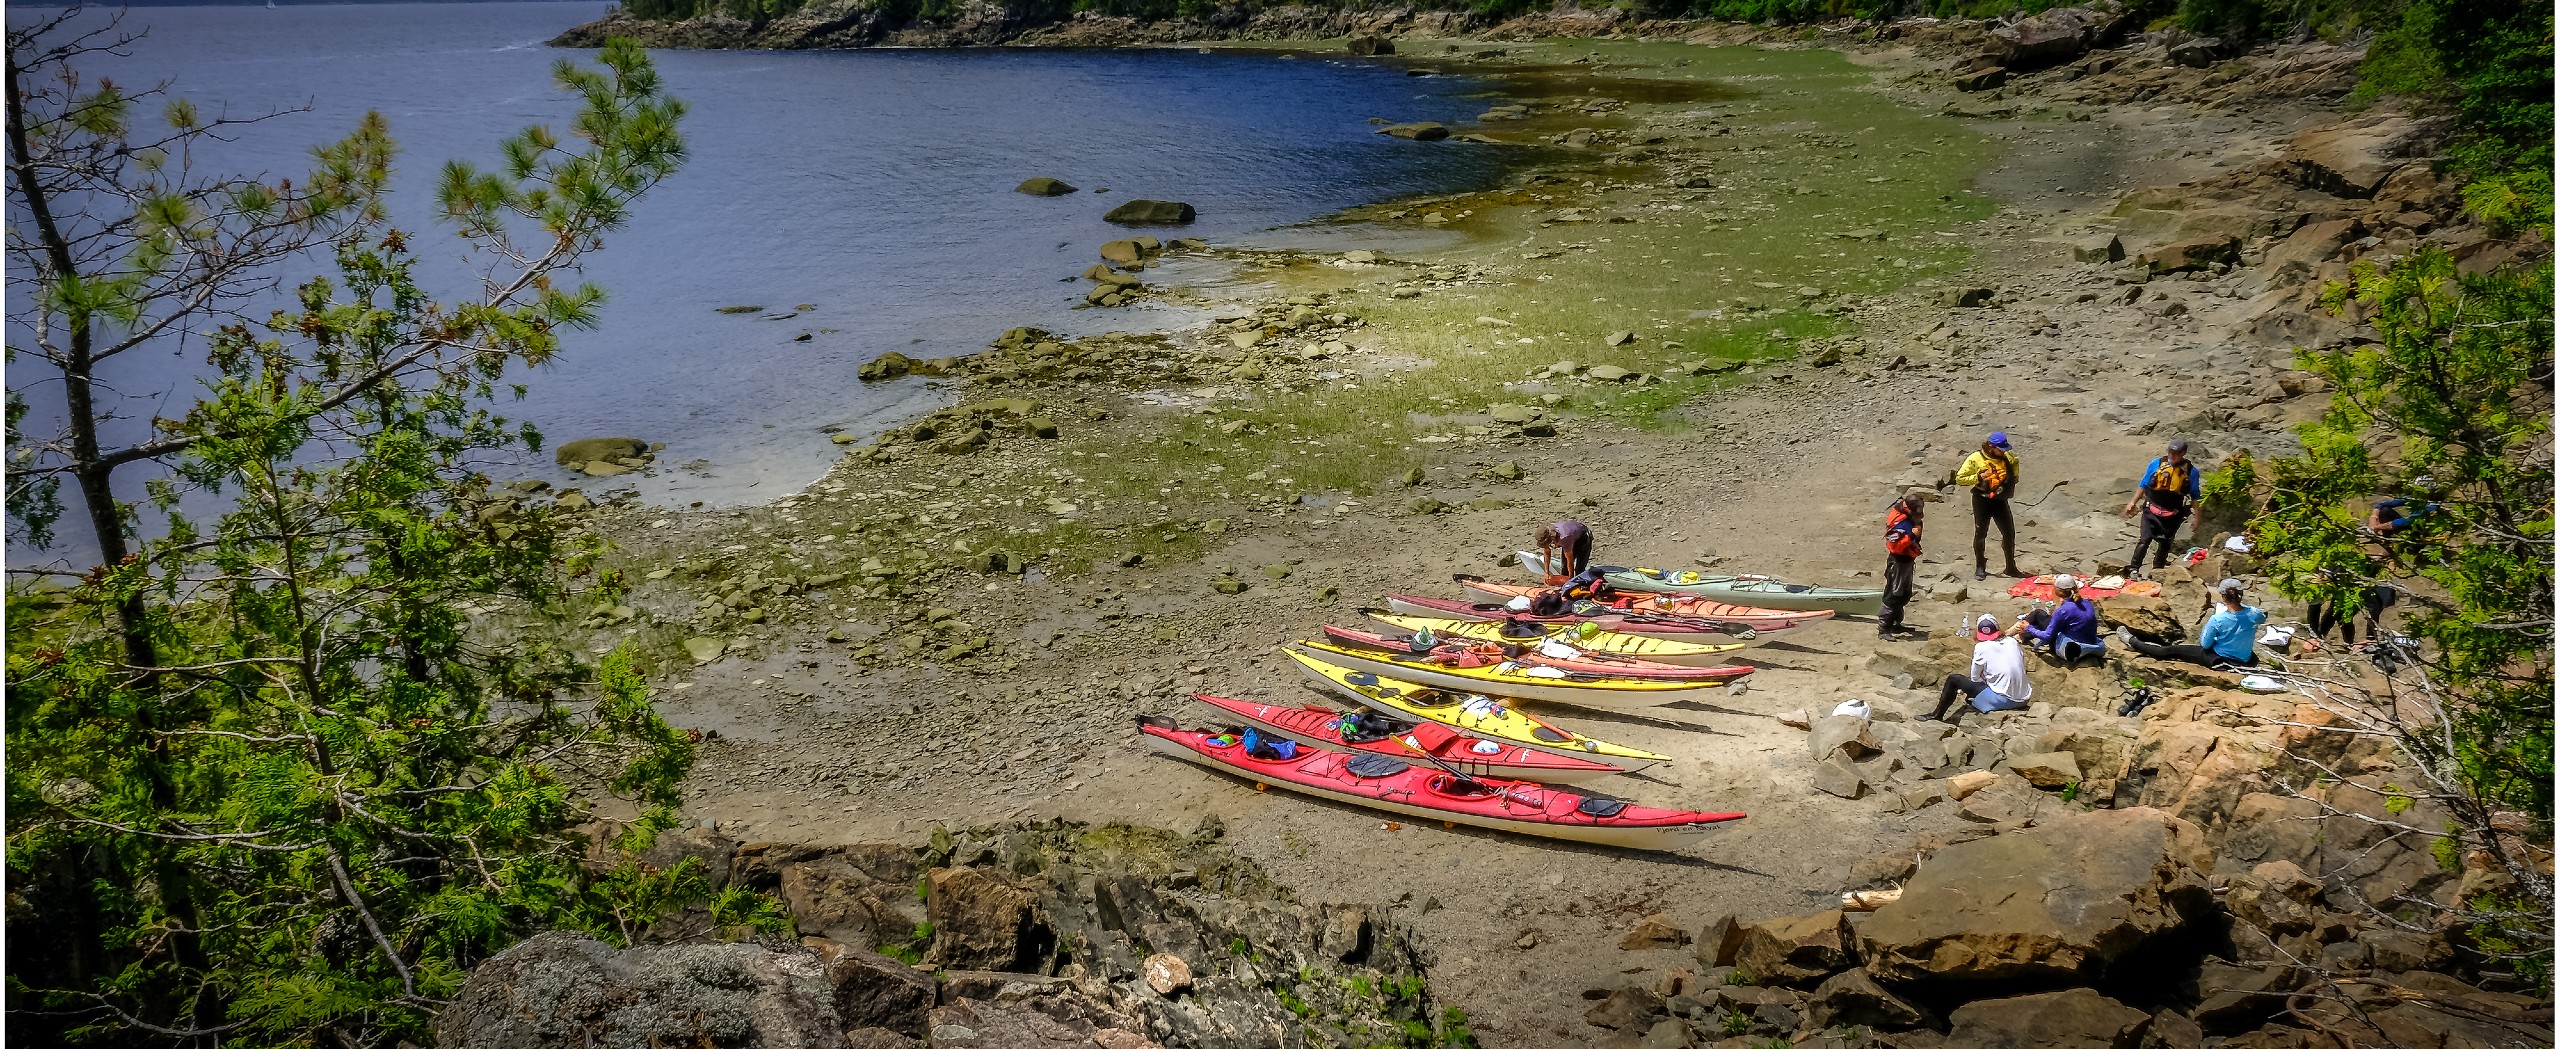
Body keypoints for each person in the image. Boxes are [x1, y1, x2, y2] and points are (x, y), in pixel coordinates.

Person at [2118, 577, 2265, 668]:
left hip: (2222, 658)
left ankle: (2133, 642)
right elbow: (2260, 618)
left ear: (2223, 596)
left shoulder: (2218, 619)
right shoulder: (2254, 613)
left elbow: (2205, 644)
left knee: (2170, 651)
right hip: (2245, 658)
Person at [1923, 613, 2032, 724]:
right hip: (2023, 698)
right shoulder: (2012, 642)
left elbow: (1975, 678)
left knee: (1954, 679)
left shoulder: (1981, 647)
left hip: (2005, 700)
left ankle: (1937, 715)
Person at [2123, 438, 2202, 576]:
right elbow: (2144, 484)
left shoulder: (2191, 472)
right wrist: (2132, 502)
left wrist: (2197, 517)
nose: (2172, 454)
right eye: (2170, 451)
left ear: (2183, 453)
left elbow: (2194, 495)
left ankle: (2157, 572)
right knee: (2144, 539)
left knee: (2165, 543)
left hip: (2172, 514)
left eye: (2176, 452)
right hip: (2151, 508)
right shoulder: (2156, 464)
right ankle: (2134, 568)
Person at [1955, 431, 2022, 581]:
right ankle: (1980, 566)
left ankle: (2010, 566)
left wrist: (2016, 475)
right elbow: (1960, 478)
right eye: (2000, 449)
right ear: (1991, 447)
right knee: (1981, 533)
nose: (2003, 452)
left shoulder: (2007, 456)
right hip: (1982, 501)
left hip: (2000, 501)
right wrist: (1977, 477)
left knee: (2009, 533)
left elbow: (2015, 461)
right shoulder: (1975, 458)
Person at [2022, 573, 2105, 665]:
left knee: (2038, 614)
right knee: (2047, 619)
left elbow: (2048, 636)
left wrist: (2029, 628)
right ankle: (2020, 635)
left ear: (2058, 591)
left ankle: (2019, 635)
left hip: (2069, 645)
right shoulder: (2087, 603)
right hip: (2089, 641)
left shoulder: (2063, 610)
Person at [1878, 492, 1924, 640]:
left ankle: (1896, 623)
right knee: (1893, 594)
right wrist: (1911, 535)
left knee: (1904, 594)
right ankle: (1883, 629)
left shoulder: (1910, 517)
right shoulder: (1898, 521)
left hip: (1907, 560)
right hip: (1898, 562)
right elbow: (1895, 546)